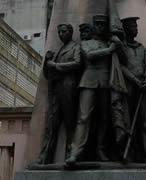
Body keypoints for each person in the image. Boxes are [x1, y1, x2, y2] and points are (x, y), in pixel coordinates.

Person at [65, 15, 120, 166]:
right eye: (98, 25)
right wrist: (109, 50)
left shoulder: (110, 42)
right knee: (83, 117)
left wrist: (116, 45)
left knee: (104, 118)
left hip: (106, 82)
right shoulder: (86, 43)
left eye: (103, 25)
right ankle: (75, 152)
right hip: (88, 80)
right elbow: (89, 56)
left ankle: (100, 149)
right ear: (94, 26)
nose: (100, 27)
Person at [38, 24, 81, 164]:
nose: (61, 34)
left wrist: (56, 66)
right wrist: (47, 62)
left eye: (64, 31)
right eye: (59, 32)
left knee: (70, 125)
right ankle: (45, 157)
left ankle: (71, 155)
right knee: (51, 125)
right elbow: (47, 75)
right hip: (56, 90)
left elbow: (77, 63)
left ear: (71, 32)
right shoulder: (56, 52)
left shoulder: (76, 47)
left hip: (69, 88)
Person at [121, 17, 146, 164]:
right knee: (127, 122)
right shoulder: (122, 48)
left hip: (142, 88)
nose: (135, 29)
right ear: (125, 29)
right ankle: (129, 155)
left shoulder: (141, 48)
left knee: (144, 123)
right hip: (129, 87)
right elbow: (121, 67)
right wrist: (135, 80)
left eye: (136, 26)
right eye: (132, 26)